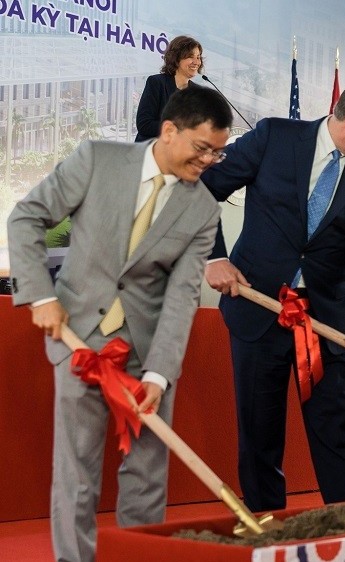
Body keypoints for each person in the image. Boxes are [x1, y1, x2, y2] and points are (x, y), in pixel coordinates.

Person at [7, 87, 232, 562]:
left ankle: (139, 556)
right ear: (170, 131)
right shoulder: (97, 161)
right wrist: (41, 295)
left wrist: (158, 373)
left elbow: (182, 295)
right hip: (79, 341)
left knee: (148, 475)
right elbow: (27, 217)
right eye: (202, 148)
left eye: (219, 151)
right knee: (77, 471)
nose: (210, 160)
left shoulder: (203, 210)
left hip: (147, 352)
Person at [200, 75, 345, 511]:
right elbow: (202, 188)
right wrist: (213, 257)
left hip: (326, 321)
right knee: (260, 433)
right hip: (258, 309)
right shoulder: (275, 137)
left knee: (338, 430)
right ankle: (267, 531)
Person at [135, 35, 204, 142]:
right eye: (191, 56)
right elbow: (145, 125)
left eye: (198, 57)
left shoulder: (198, 93)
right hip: (151, 151)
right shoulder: (157, 83)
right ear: (176, 58)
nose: (196, 62)